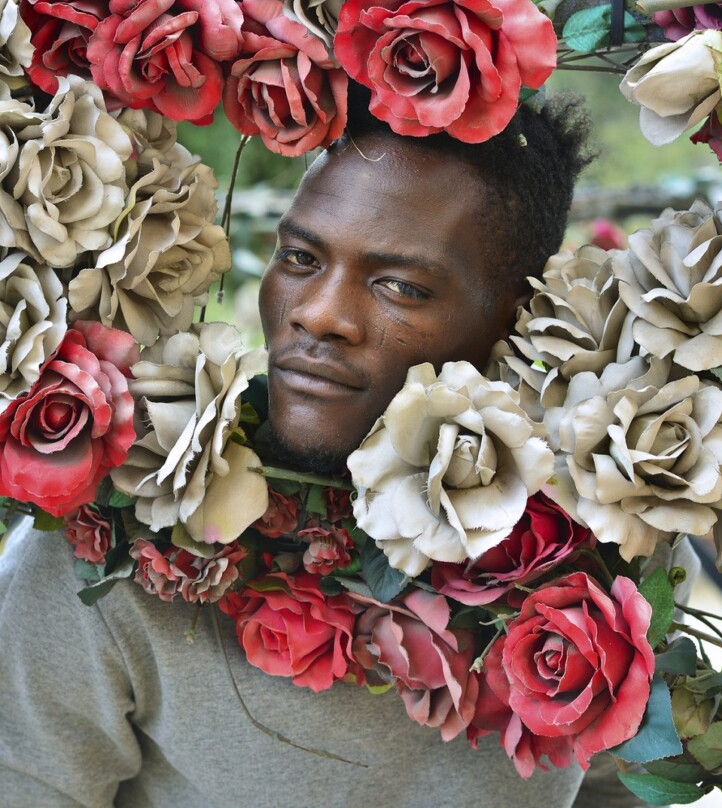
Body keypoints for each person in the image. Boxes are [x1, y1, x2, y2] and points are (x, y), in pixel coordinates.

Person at [0, 94, 603, 807]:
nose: (317, 313)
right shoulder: (112, 558)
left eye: (400, 286)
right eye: (300, 257)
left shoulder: (596, 551)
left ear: (519, 316)